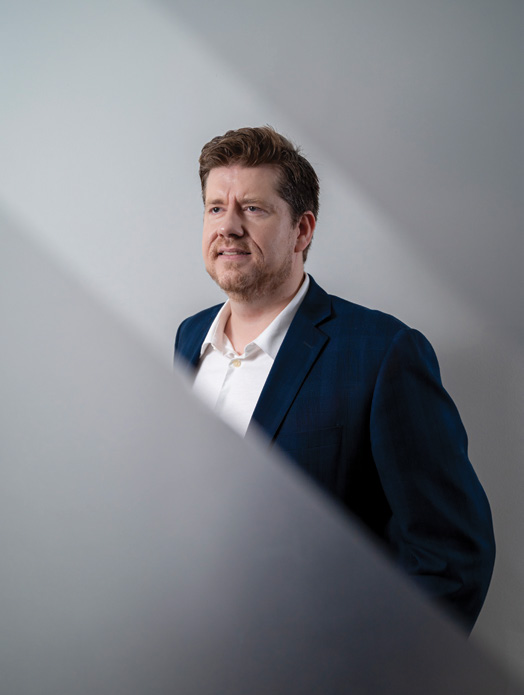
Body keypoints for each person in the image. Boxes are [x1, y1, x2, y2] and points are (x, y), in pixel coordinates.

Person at [174, 126, 495, 633]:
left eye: (253, 209)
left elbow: (451, 556)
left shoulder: (382, 352)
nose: (228, 227)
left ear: (302, 230)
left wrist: (367, 671)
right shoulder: (189, 338)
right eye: (216, 208)